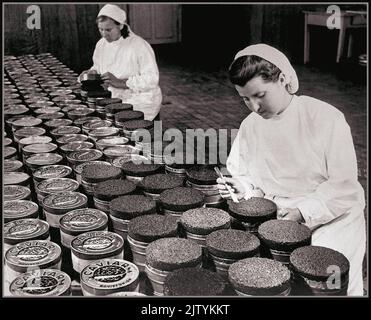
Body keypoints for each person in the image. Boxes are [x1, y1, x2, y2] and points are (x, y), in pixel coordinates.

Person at [217, 43, 366, 296]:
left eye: (260, 95)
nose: (254, 107)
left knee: (324, 284)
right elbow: (245, 174)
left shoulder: (325, 118)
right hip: (280, 215)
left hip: (331, 219)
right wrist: (242, 187)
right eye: (245, 99)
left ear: (283, 79)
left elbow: (344, 187)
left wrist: (302, 212)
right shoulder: (251, 126)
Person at [78, 4, 162, 121]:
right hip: (115, 97)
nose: (104, 34)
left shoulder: (139, 45)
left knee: (131, 126)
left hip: (141, 99)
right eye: (100, 29)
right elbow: (98, 66)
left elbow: (152, 79)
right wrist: (92, 73)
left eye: (108, 29)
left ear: (121, 26)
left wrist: (122, 83)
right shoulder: (101, 44)